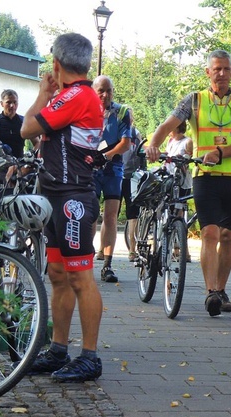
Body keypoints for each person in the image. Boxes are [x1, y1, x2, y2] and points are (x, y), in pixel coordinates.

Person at [20, 32, 105, 383]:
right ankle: (58, 348)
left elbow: (26, 128)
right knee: (57, 275)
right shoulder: (77, 95)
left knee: (79, 276)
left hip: (73, 199)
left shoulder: (76, 96)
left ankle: (90, 357)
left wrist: (43, 93)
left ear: (56, 63)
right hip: (55, 195)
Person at [146, 49, 231, 317]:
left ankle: (221, 289)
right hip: (205, 177)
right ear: (208, 72)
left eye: (226, 69)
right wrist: (153, 144)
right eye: (216, 69)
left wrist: (219, 153)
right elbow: (167, 124)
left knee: (229, 235)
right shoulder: (194, 101)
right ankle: (210, 293)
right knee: (210, 233)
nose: (222, 74)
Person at [92, 75, 133, 283]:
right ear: (94, 90)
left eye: (109, 91)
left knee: (110, 216)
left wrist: (106, 155)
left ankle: (107, 264)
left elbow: (126, 143)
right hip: (89, 169)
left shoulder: (122, 112)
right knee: (89, 214)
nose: (106, 95)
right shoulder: (86, 109)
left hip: (113, 168)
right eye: (101, 91)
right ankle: (86, 260)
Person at [165, 121, 194, 262]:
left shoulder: (187, 141)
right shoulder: (170, 141)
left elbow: (188, 161)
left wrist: (182, 162)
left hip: (182, 182)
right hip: (170, 181)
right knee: (171, 215)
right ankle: (177, 249)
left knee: (179, 216)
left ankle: (183, 251)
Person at [120, 124, 143, 262]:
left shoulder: (114, 130)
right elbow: (141, 155)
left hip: (117, 175)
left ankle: (102, 251)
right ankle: (132, 251)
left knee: (111, 216)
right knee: (133, 215)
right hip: (131, 177)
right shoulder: (135, 133)